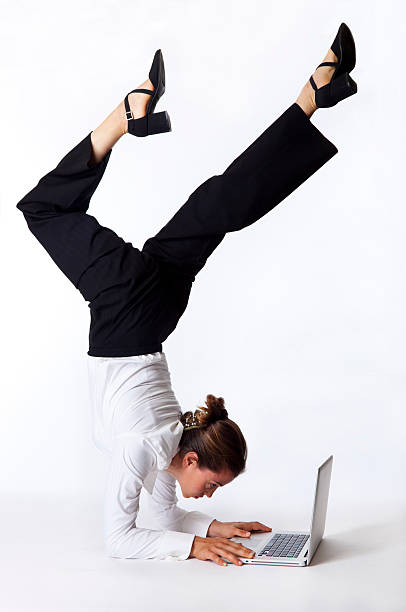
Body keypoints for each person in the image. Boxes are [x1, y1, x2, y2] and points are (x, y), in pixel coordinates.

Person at [15, 23, 357, 567]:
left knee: (215, 204)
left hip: (148, 310)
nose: (211, 494)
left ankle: (314, 95)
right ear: (193, 457)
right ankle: (135, 113)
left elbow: (131, 535)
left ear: (191, 459)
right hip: (131, 315)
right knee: (194, 204)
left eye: (213, 489)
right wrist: (198, 538)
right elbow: (151, 531)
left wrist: (206, 528)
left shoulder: (152, 450)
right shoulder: (163, 447)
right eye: (214, 488)